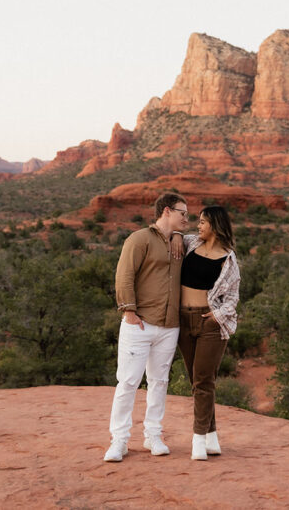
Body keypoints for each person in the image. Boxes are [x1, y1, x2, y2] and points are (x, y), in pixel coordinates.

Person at [103, 192, 189, 463]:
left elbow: (209, 242)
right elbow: (124, 274)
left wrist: (176, 235)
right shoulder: (139, 239)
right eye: (182, 213)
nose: (187, 218)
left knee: (159, 382)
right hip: (138, 323)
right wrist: (128, 310)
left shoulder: (183, 242)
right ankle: (119, 440)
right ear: (166, 211)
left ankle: (153, 435)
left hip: (169, 325)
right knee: (128, 382)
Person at [178, 205, 241, 460]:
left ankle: (198, 441)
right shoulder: (190, 243)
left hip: (210, 323)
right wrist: (173, 237)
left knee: (203, 380)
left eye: (203, 222)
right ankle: (212, 438)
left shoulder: (228, 258)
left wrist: (218, 314)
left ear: (215, 225)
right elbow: (173, 236)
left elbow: (233, 297)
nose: (198, 225)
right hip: (183, 320)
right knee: (198, 381)